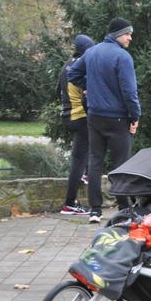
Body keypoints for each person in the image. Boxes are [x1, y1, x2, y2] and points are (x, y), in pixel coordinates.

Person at [68, 18, 141, 224]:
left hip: (95, 117)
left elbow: (72, 73)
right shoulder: (123, 57)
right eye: (128, 34)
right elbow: (129, 91)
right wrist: (135, 115)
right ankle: (125, 210)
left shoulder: (91, 52)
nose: (130, 37)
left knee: (95, 161)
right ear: (118, 34)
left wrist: (87, 86)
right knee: (121, 165)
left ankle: (95, 211)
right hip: (118, 118)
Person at [58, 34, 95, 215]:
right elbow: (88, 95)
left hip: (68, 115)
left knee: (82, 155)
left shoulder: (67, 65)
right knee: (78, 161)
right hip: (80, 117)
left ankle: (87, 174)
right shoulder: (83, 67)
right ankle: (69, 204)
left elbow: (58, 91)